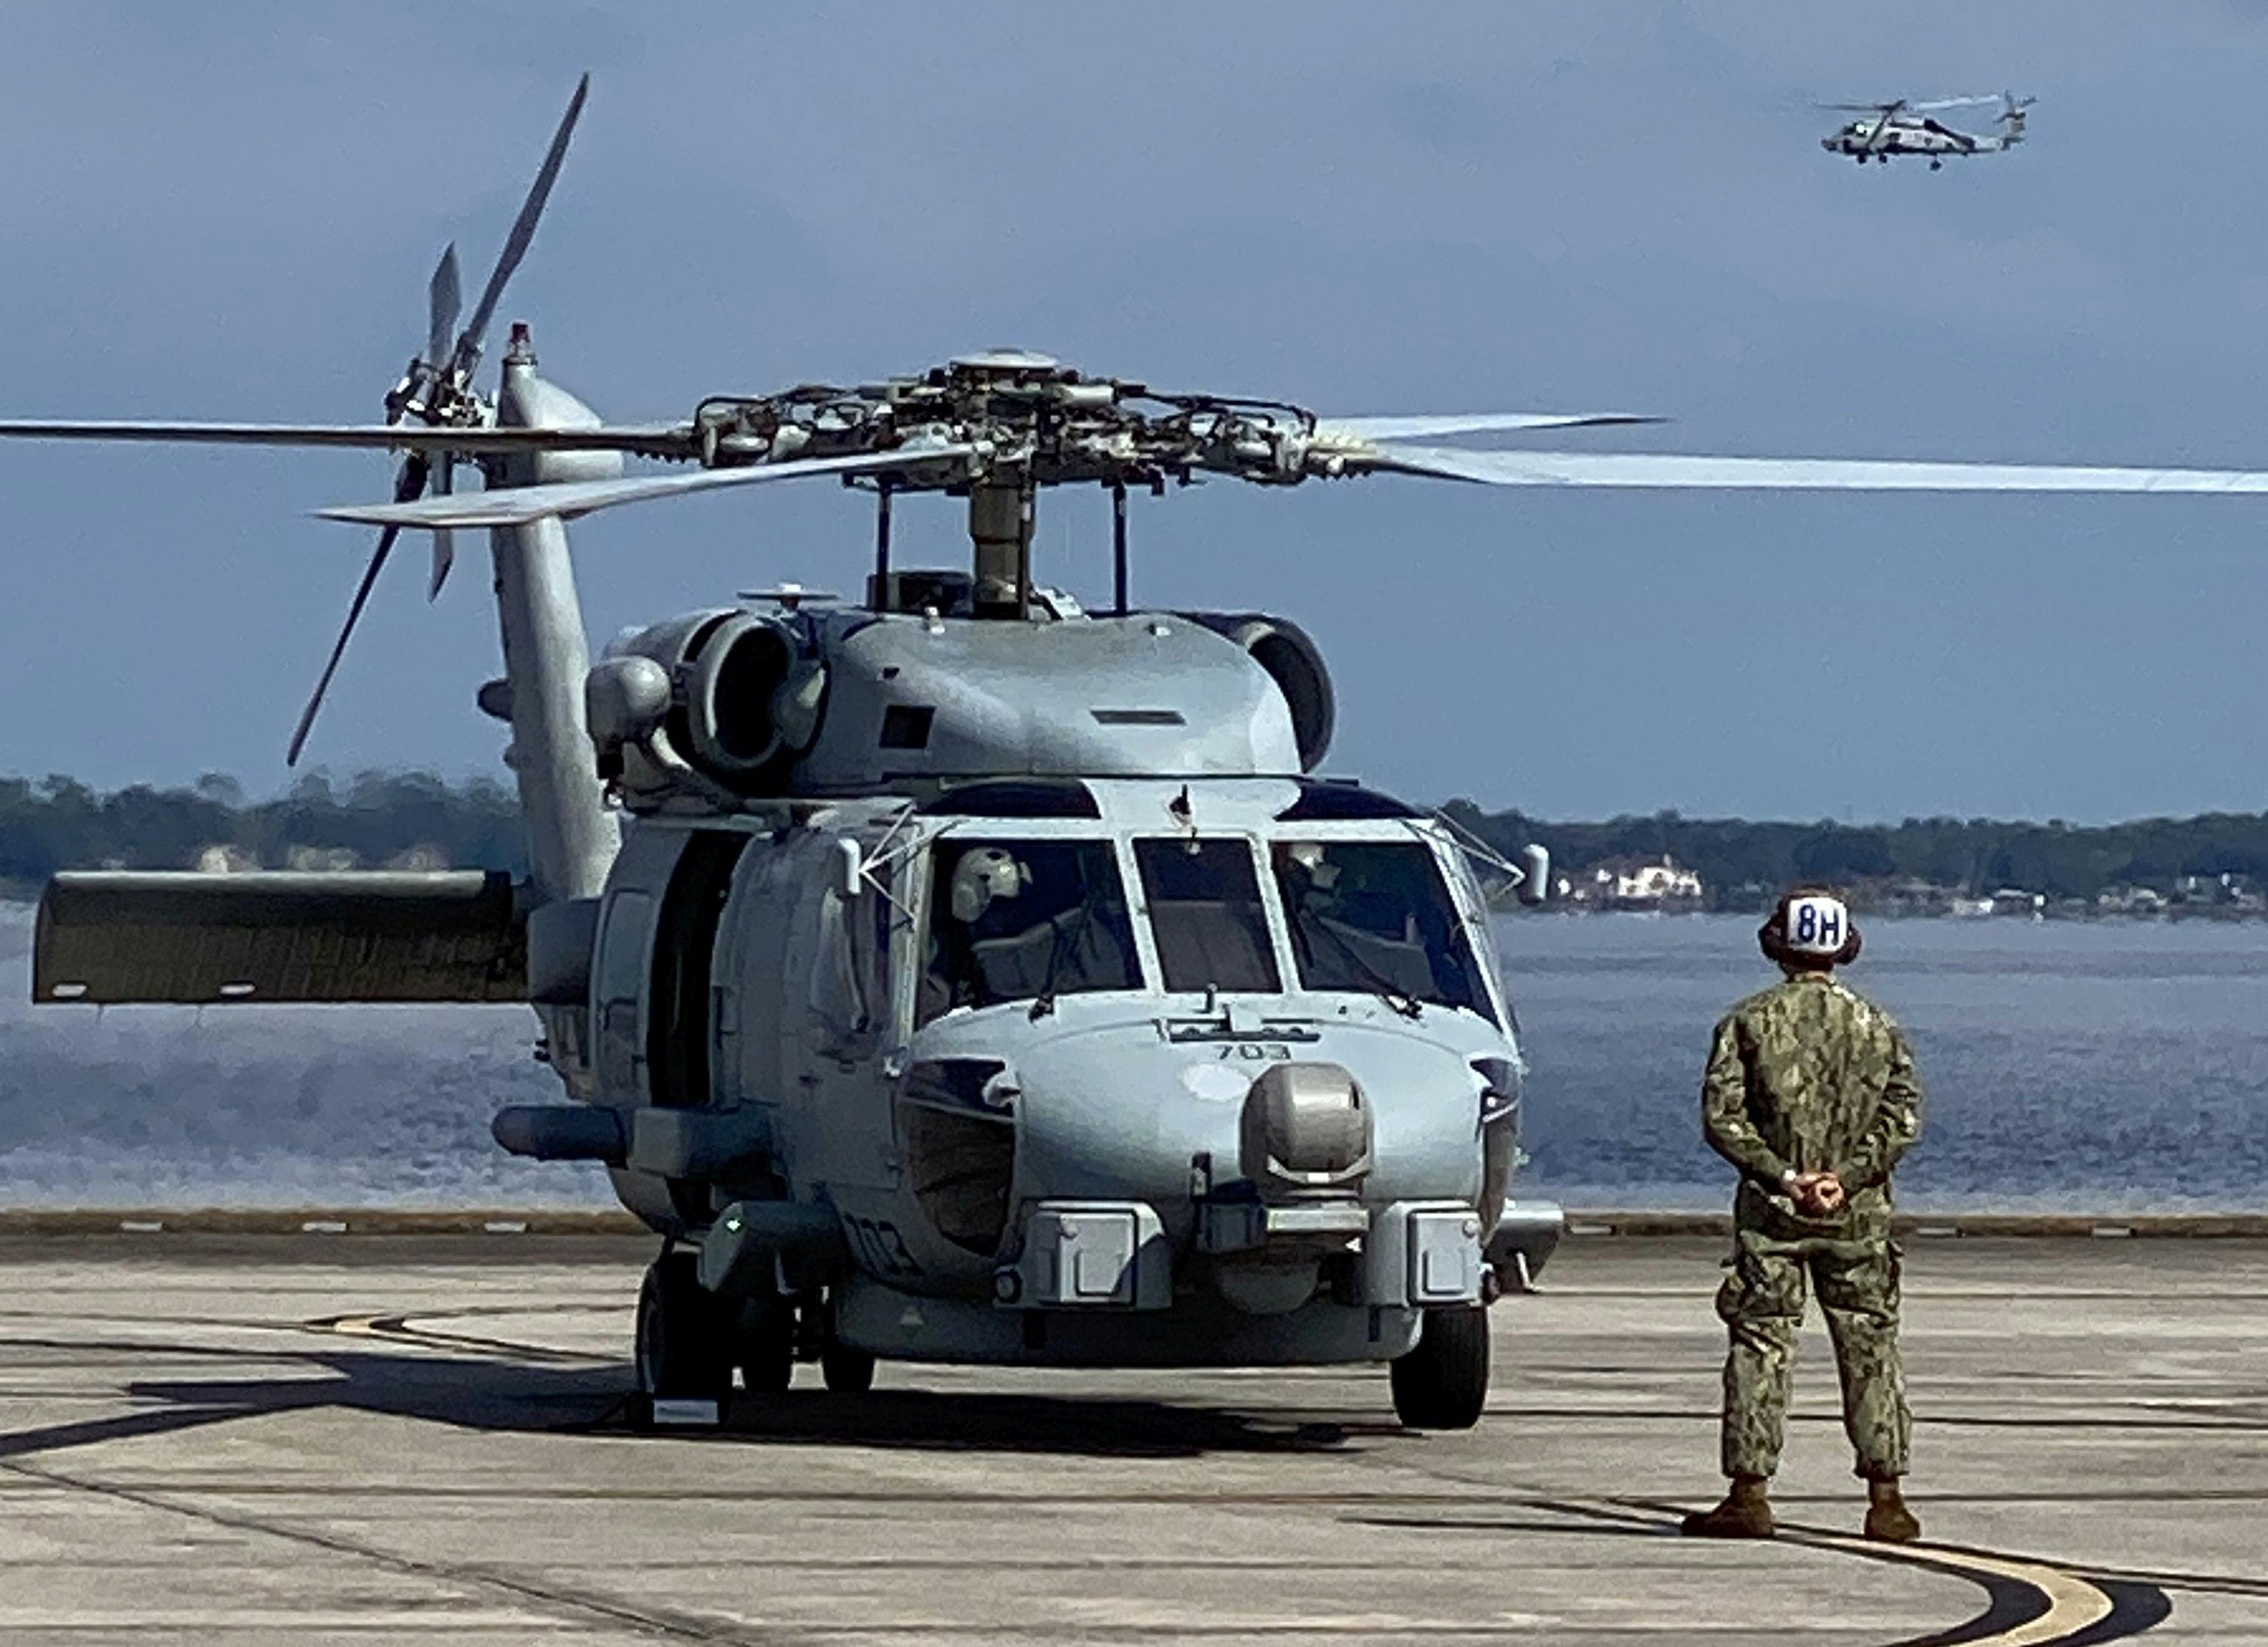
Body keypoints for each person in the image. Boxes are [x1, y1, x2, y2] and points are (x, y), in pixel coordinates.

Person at [1681, 888, 1924, 1544]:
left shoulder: (1747, 1022)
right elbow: (1902, 1123)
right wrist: (1843, 1182)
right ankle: (1887, 1497)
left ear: (1776, 944)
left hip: (1771, 1217)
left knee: (1762, 1346)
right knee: (1870, 1347)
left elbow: (1722, 1118)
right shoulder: (1879, 1025)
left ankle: (1750, 1493)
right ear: (1845, 948)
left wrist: (1787, 1178)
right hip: (1859, 1220)